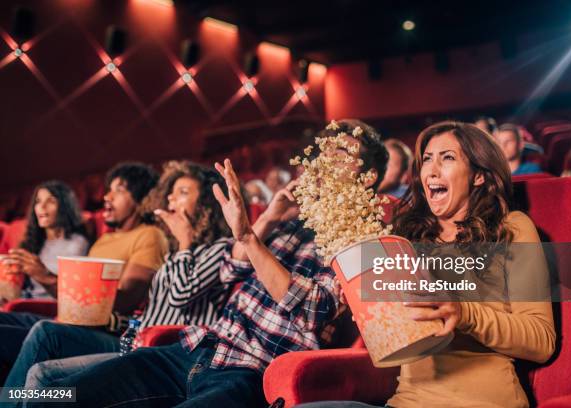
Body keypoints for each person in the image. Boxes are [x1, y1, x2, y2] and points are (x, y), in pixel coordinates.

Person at [31, 119, 388, 408]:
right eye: (323, 151)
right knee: (49, 395)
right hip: (198, 348)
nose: (324, 161)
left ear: (368, 178)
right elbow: (230, 270)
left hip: (249, 371)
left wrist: (249, 236)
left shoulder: (369, 242)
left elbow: (313, 309)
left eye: (340, 153)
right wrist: (262, 225)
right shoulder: (292, 223)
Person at [297, 121, 555, 408]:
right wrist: (368, 304)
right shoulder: (405, 237)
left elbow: (541, 341)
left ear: (479, 175)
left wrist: (464, 312)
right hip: (406, 402)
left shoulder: (512, 229)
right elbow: (396, 339)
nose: (431, 171)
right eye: (427, 160)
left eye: (447, 158)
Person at [13, 161, 234, 390]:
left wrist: (185, 243)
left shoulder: (217, 249)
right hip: (131, 341)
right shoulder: (177, 252)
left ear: (207, 204)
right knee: (41, 370)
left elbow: (180, 295)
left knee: (43, 372)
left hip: (162, 356)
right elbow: (151, 312)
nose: (171, 199)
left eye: (183, 193)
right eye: (171, 192)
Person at [0, 162, 166, 378]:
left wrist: (46, 276)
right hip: (72, 321)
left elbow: (125, 300)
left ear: (142, 199)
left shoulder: (150, 235)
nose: (107, 196)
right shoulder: (105, 239)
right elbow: (73, 298)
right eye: (109, 189)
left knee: (44, 333)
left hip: (108, 332)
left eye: (119, 190)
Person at [0, 181, 90, 301]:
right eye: (38, 201)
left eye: (50, 201)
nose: (42, 206)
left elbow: (72, 291)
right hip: (22, 301)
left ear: (65, 207)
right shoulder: (34, 241)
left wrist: (40, 272)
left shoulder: (77, 243)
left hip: (48, 307)